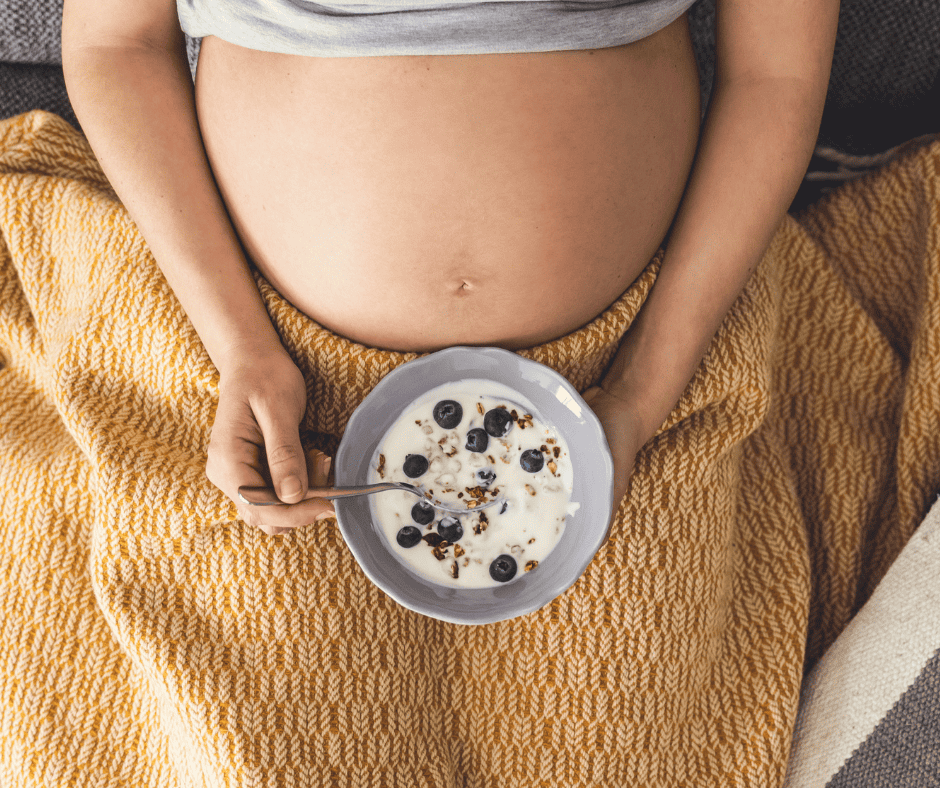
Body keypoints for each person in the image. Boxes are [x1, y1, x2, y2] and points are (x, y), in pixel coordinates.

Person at [60, 0, 840, 537]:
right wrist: (241, 351)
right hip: (257, 361)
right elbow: (113, 43)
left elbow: (778, 74)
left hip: (646, 356)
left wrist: (643, 390)